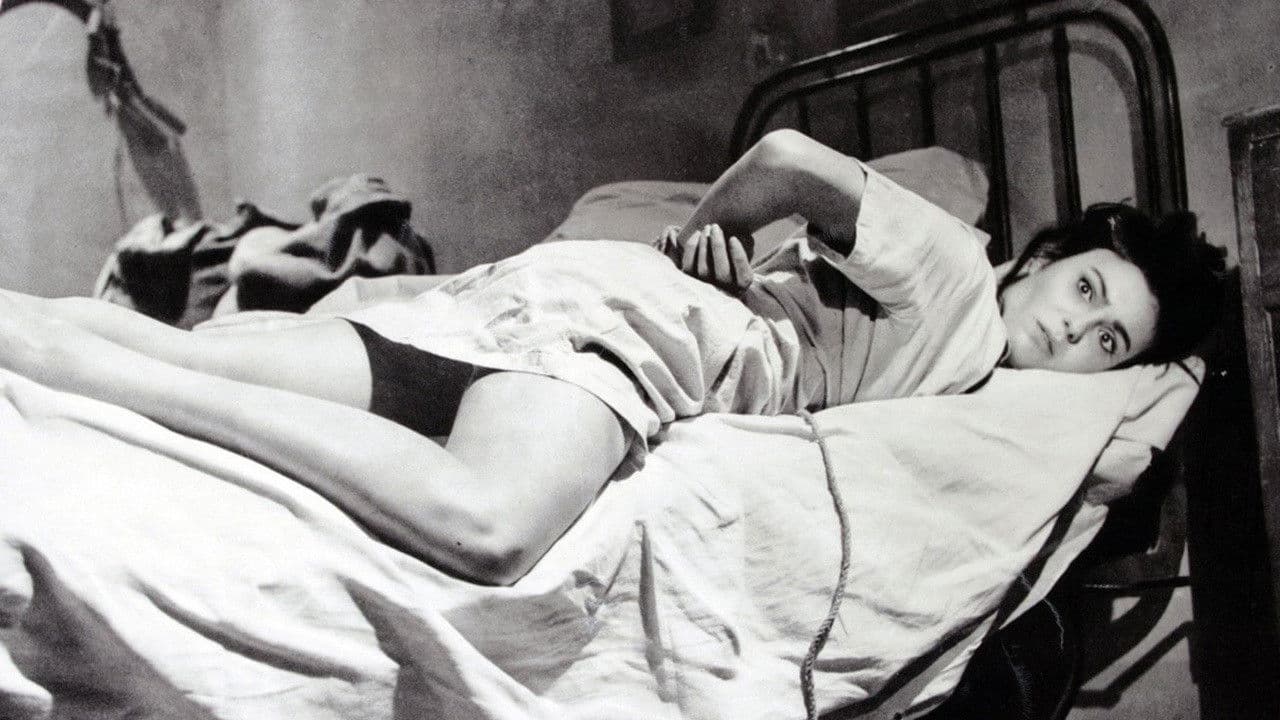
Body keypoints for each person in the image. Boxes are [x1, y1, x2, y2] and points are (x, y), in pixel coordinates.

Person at [0, 130, 1224, 586]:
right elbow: (789, 159)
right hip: (636, 337)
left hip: (554, 301)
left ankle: (43, 335)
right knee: (489, 526)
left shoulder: (979, 391)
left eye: (1106, 342)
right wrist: (710, 238)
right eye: (1081, 290)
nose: (1072, 333)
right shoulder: (958, 270)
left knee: (187, 347)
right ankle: (123, 381)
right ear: (1039, 259)